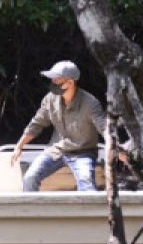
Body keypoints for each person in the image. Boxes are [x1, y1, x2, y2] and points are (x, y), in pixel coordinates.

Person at [10, 60, 105, 192]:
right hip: (56, 150)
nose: (52, 83)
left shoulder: (90, 103)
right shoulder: (50, 99)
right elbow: (37, 123)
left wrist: (117, 149)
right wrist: (19, 146)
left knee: (87, 184)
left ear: (70, 83)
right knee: (29, 177)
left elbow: (105, 129)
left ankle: (87, 213)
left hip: (82, 153)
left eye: (57, 80)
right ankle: (33, 212)